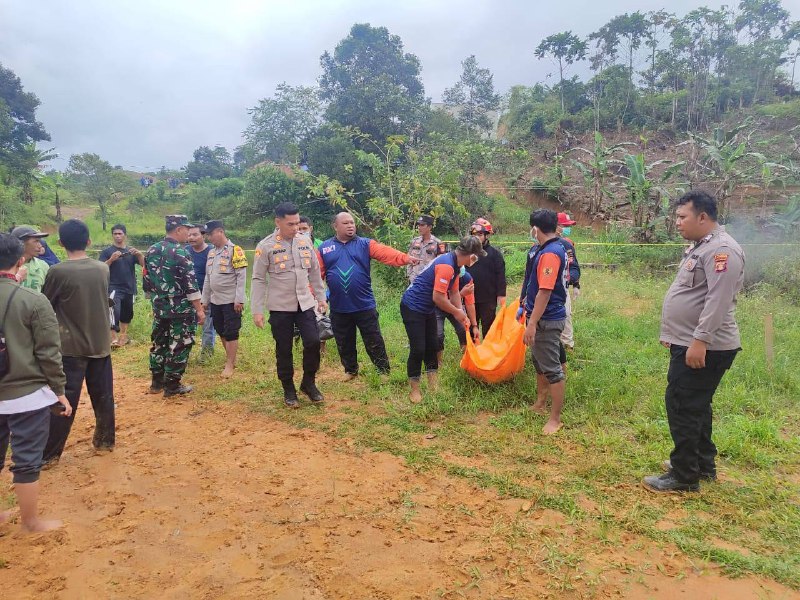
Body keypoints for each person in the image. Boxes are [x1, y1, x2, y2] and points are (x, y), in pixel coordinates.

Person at [643, 190, 745, 493]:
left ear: (703, 217)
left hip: (705, 346)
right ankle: (701, 463)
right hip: (689, 341)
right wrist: (675, 336)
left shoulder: (722, 250)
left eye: (682, 216)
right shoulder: (702, 247)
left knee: (682, 405)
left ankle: (684, 475)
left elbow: (718, 300)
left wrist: (699, 340)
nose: (677, 222)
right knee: (696, 405)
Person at [0, 233, 71, 532]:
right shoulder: (32, 301)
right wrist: (59, 391)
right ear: (20, 261)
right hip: (26, 394)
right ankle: (30, 521)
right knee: (27, 457)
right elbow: (48, 353)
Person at [41, 219, 115, 465]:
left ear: (60, 243)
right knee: (103, 395)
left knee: (64, 400)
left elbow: (45, 304)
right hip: (101, 344)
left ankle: (50, 454)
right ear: (89, 241)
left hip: (70, 348)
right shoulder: (102, 269)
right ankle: (105, 441)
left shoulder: (57, 271)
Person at [317, 212, 419, 379]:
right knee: (344, 341)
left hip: (363, 304)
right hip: (339, 306)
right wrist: (315, 296)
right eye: (345, 223)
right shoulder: (324, 248)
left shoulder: (365, 244)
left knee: (374, 340)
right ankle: (350, 370)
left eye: (352, 222)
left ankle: (383, 371)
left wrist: (405, 258)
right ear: (335, 226)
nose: (350, 225)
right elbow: (316, 274)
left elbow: (386, 253)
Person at [252, 203, 327, 408]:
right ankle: (288, 388)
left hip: (305, 304)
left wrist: (321, 297)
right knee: (284, 348)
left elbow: (314, 272)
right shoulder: (265, 246)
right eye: (290, 224)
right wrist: (257, 310)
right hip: (280, 306)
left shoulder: (304, 242)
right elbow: (258, 279)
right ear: (278, 222)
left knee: (312, 342)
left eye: (297, 223)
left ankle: (308, 383)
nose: (296, 228)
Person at [400, 236, 482, 403]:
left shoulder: (456, 266)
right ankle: (414, 389)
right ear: (469, 254)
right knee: (418, 348)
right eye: (476, 255)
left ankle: (433, 385)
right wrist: (457, 313)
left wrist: (461, 313)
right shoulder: (446, 265)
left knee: (433, 345)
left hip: (428, 307)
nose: (476, 259)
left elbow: (453, 293)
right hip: (413, 307)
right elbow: (438, 297)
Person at [143, 215, 205, 397]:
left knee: (160, 342)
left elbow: (146, 281)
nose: (188, 233)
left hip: (159, 307)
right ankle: (172, 385)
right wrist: (199, 310)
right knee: (179, 344)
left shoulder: (152, 249)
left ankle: (156, 382)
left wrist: (155, 300)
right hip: (181, 309)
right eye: (186, 229)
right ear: (178, 230)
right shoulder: (181, 252)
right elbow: (191, 285)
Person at [521, 210, 568, 435]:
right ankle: (540, 404)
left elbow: (545, 292)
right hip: (541, 316)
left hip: (547, 319)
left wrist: (532, 324)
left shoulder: (550, 253)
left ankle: (555, 419)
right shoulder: (549, 249)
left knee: (552, 369)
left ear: (535, 229)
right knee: (539, 361)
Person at [201, 220, 247, 379]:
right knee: (220, 329)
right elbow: (208, 278)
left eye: (210, 234)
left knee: (232, 331)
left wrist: (239, 299)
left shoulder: (236, 250)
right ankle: (231, 358)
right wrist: (204, 300)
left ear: (220, 231)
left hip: (231, 300)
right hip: (215, 300)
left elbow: (241, 277)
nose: (208, 238)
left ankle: (229, 364)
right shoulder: (212, 252)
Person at [98, 224, 145, 348]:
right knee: (113, 310)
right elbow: (100, 268)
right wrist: (111, 259)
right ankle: (113, 339)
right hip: (113, 287)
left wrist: (139, 254)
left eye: (120, 233)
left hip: (129, 286)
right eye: (115, 234)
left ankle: (123, 337)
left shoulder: (131, 251)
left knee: (127, 312)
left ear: (125, 235)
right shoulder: (107, 252)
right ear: (112, 235)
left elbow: (145, 265)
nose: (118, 236)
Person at [465, 218, 507, 337]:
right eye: (474, 234)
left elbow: (500, 276)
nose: (477, 237)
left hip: (488, 297)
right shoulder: (465, 253)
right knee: (470, 326)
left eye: (480, 234)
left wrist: (501, 295)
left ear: (486, 235)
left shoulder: (495, 254)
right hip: (470, 297)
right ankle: (472, 350)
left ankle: (488, 350)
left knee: (489, 326)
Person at [186, 224, 215, 362]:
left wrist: (207, 298)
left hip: (206, 295)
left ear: (203, 235)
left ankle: (207, 355)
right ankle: (184, 354)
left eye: (195, 234)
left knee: (208, 326)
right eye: (189, 235)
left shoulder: (211, 251)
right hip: (188, 296)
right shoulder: (185, 252)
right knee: (187, 326)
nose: (191, 238)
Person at [556, 213, 581, 351]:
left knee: (565, 315)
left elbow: (574, 268)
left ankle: (567, 344)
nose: (566, 229)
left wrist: (573, 282)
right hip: (544, 289)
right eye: (564, 226)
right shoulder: (539, 245)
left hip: (562, 289)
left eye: (567, 226)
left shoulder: (566, 244)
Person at [10, 226, 50, 292]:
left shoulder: (42, 266)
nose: (40, 246)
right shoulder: (5, 265)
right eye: (36, 241)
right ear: (21, 243)